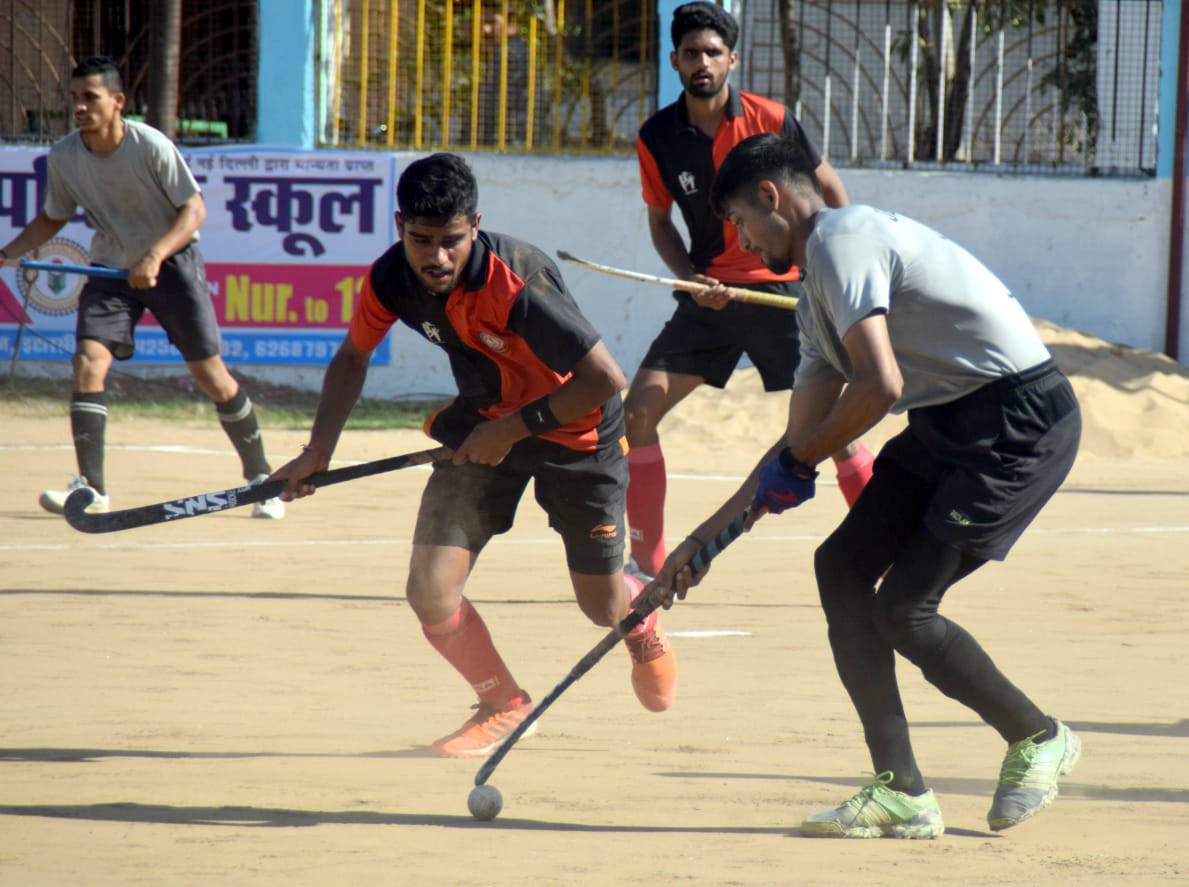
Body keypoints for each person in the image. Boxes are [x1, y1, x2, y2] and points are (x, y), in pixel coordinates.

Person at [651, 132, 1083, 837]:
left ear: (771, 197)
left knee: (906, 609)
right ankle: (903, 789)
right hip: (950, 417)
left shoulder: (841, 240)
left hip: (1017, 422)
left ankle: (1038, 735)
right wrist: (704, 542)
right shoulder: (818, 288)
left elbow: (880, 386)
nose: (741, 245)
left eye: (739, 224)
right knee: (840, 566)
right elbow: (798, 443)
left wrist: (798, 463)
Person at [271, 153, 677, 758]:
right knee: (429, 590)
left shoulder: (517, 282)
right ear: (400, 225)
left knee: (602, 608)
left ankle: (639, 622)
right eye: (420, 240)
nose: (436, 257)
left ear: (476, 226)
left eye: (451, 241)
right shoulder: (390, 279)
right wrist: (317, 452)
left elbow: (604, 379)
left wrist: (515, 428)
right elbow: (353, 357)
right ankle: (506, 705)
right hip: (488, 426)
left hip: (576, 433)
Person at [625, 1, 873, 581]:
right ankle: (648, 566)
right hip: (707, 300)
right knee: (637, 412)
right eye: (691, 53)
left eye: (713, 52)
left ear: (732, 59)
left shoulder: (772, 118)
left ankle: (889, 545)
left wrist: (834, 268)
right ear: (675, 61)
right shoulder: (656, 136)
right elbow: (660, 224)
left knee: (832, 432)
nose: (702, 62)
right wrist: (690, 277)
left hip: (784, 300)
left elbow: (831, 189)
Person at [0, 55, 283, 520]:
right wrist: (10, 250)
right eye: (74, 98)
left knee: (213, 378)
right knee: (88, 363)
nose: (80, 107)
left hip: (172, 263)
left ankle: (262, 481)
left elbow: (193, 210)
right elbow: (54, 215)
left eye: (90, 97)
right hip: (111, 271)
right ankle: (93, 489)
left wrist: (154, 256)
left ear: (117, 102)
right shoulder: (66, 155)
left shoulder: (149, 145)